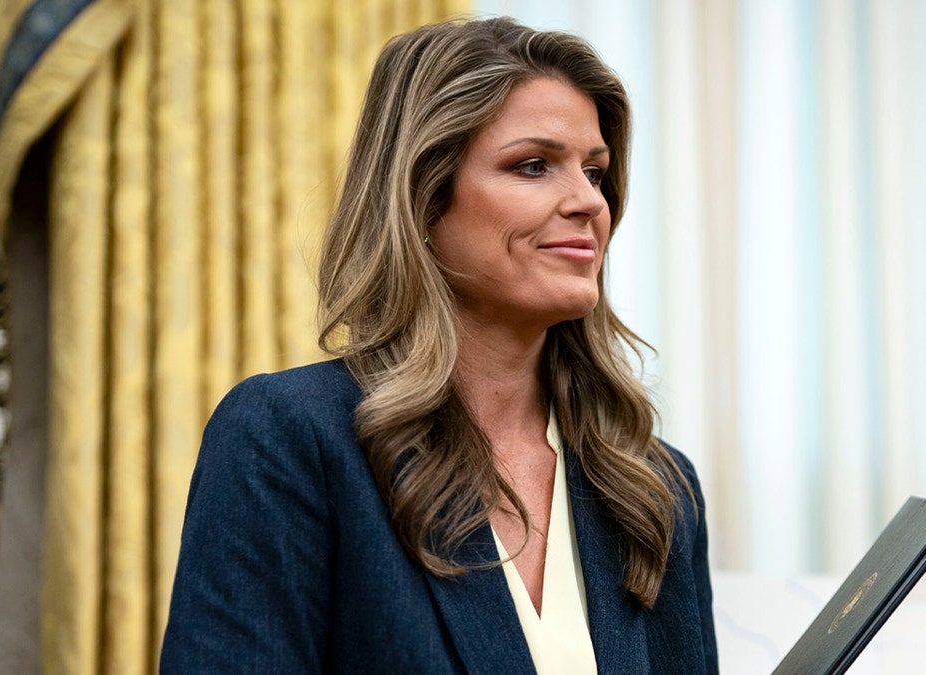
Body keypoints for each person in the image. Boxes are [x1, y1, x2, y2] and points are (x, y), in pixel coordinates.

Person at [160, 16, 718, 674]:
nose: (587, 202)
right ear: (424, 200)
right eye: (534, 166)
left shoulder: (654, 485)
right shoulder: (289, 437)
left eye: (595, 172)